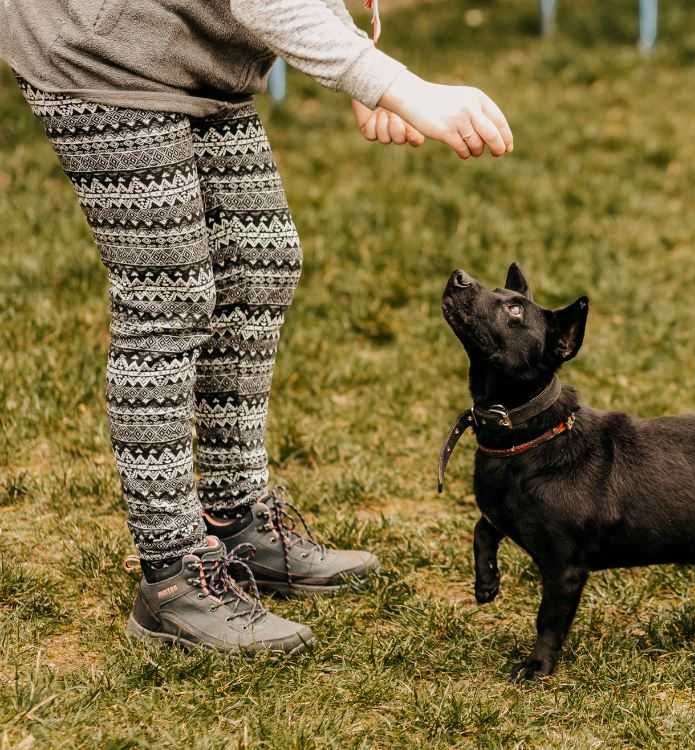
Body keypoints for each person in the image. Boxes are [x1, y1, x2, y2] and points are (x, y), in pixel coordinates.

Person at [0, 0, 513, 655]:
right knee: (167, 300)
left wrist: (363, 57)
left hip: (191, 48)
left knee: (258, 264)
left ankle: (235, 518)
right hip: (99, 46)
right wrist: (394, 85)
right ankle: (171, 580)